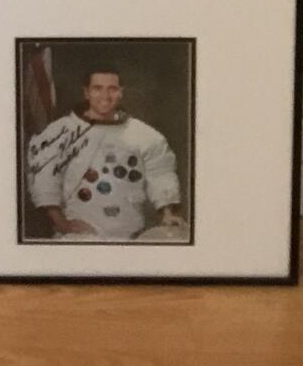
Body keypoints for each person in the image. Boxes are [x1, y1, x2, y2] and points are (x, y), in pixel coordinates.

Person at [26, 69, 186, 242]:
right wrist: (61, 223)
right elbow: (44, 179)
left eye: (112, 89)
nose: (105, 96)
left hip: (131, 236)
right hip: (79, 236)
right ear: (86, 92)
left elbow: (161, 173)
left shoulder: (144, 135)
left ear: (121, 92)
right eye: (97, 88)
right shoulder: (60, 132)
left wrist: (168, 213)